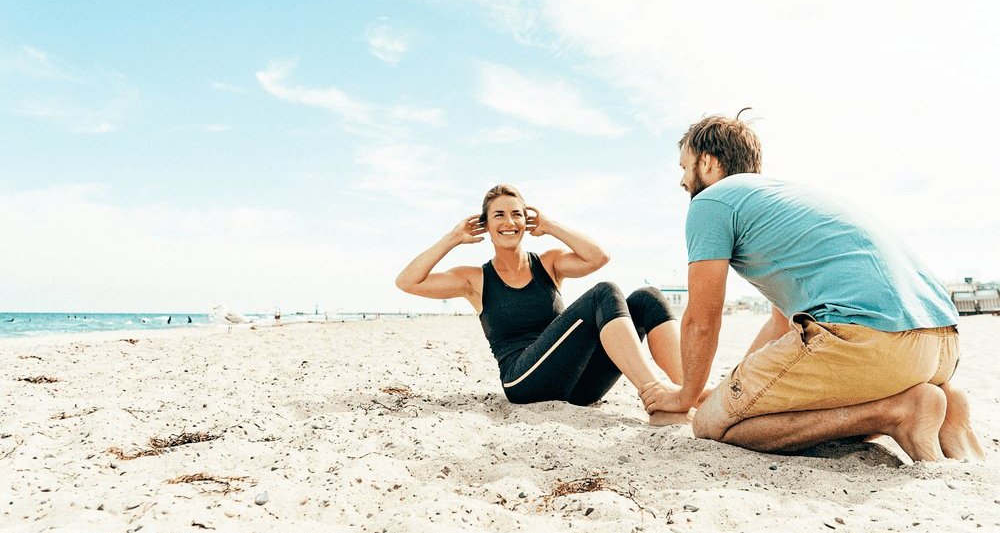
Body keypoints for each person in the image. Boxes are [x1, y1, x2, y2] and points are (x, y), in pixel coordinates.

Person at [641, 114, 984, 461]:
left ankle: (897, 411)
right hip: (941, 345)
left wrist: (687, 397)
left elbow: (702, 319)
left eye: (684, 166)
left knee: (711, 426)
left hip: (872, 343)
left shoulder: (711, 201)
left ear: (709, 162)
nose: (682, 180)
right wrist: (733, 392)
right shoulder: (786, 199)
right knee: (733, 409)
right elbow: (779, 324)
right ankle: (946, 403)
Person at [396, 184, 688, 424]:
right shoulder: (475, 279)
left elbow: (598, 257)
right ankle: (655, 398)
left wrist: (550, 226)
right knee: (605, 292)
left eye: (517, 214)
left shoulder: (548, 264)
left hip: (577, 385)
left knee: (647, 298)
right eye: (499, 215)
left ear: (527, 220)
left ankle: (688, 393)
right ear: (485, 225)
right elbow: (408, 281)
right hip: (523, 382)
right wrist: (452, 238)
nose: (509, 222)